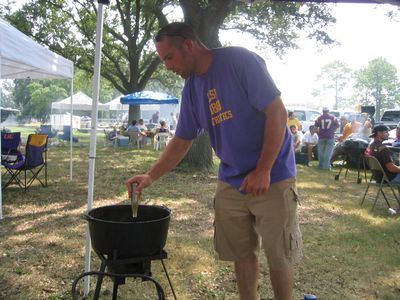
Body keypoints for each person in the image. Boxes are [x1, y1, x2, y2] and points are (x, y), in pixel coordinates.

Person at [126, 22, 301, 300]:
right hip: (231, 179)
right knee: (241, 254)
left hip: (274, 175)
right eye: (163, 61)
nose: (168, 66)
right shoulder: (192, 90)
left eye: (169, 57)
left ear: (189, 44)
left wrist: (263, 169)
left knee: (279, 254)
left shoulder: (239, 61)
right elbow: (182, 141)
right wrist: (151, 176)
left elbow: (277, 112)